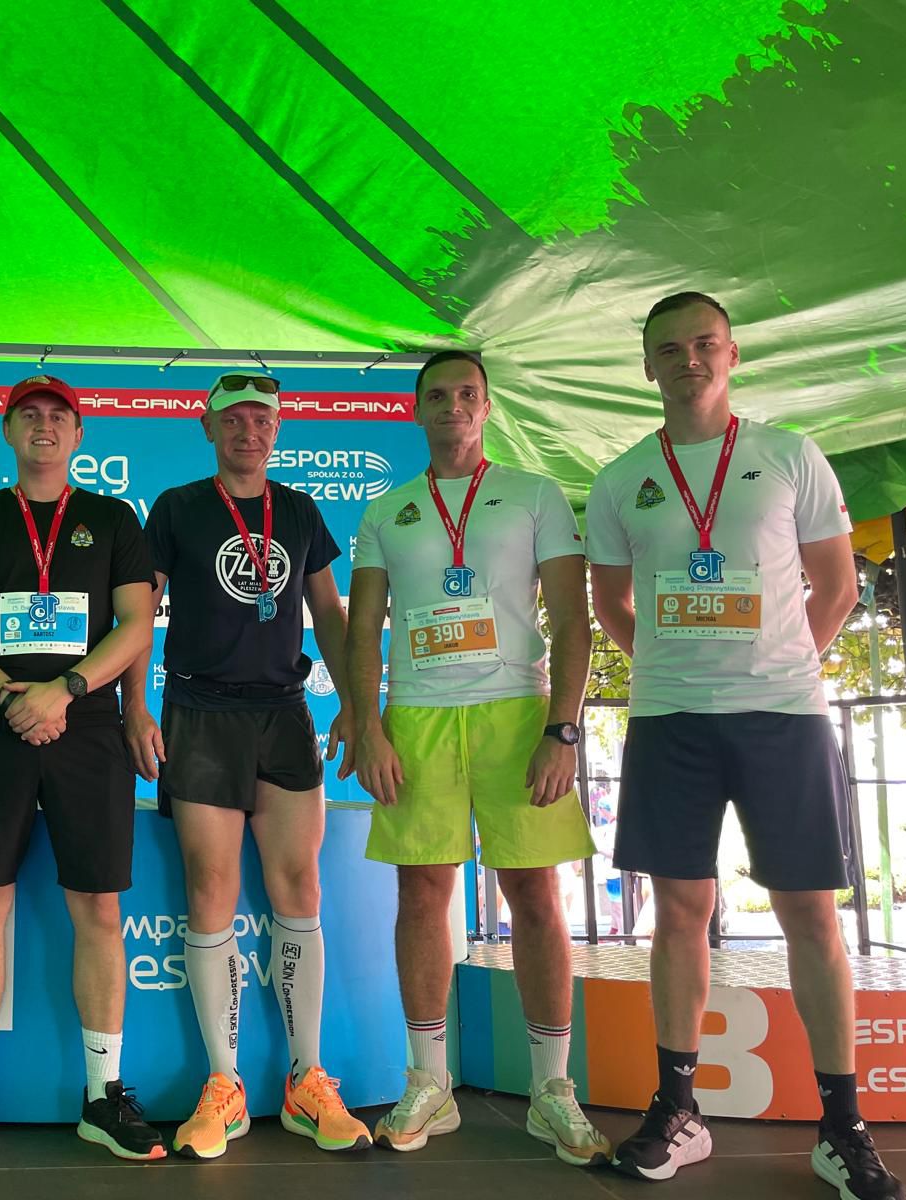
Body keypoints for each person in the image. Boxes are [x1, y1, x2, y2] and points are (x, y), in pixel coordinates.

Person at [588, 292, 906, 1199]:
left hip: (784, 717)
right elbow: (611, 602)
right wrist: (673, 667)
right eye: (669, 349)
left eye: (704, 344)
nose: (688, 359)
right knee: (678, 912)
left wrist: (779, 665)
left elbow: (836, 587)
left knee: (811, 914)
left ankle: (842, 1128)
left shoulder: (789, 454)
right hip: (669, 719)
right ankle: (678, 1111)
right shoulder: (621, 478)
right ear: (647, 366)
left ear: (732, 355)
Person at [346, 350, 610, 1166]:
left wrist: (563, 729)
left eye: (468, 394)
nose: (453, 406)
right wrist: (369, 726)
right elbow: (362, 630)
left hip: (517, 713)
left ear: (487, 407)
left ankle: (552, 1090)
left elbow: (572, 620)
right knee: (422, 891)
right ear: (415, 409)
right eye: (437, 395)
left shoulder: (534, 494)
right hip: (418, 714)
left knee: (535, 892)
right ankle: (429, 1081)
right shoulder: (387, 509)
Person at [0, 374, 163, 1165]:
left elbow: (136, 623)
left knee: (98, 908)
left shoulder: (113, 518)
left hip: (87, 727)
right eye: (29, 415)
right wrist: (6, 695)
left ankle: (103, 1097)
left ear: (78, 434)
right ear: (8, 430)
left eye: (59, 416)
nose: (44, 427)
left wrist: (67, 689)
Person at [124, 371, 368, 1160]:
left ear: (276, 430)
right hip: (199, 711)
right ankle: (223, 1085)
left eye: (261, 419)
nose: (248, 431)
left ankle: (306, 1079)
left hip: (284, 713)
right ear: (209, 428)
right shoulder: (178, 508)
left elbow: (327, 611)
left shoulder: (298, 510)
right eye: (233, 419)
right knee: (211, 890)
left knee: (300, 887)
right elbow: (139, 611)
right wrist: (136, 704)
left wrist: (355, 705)